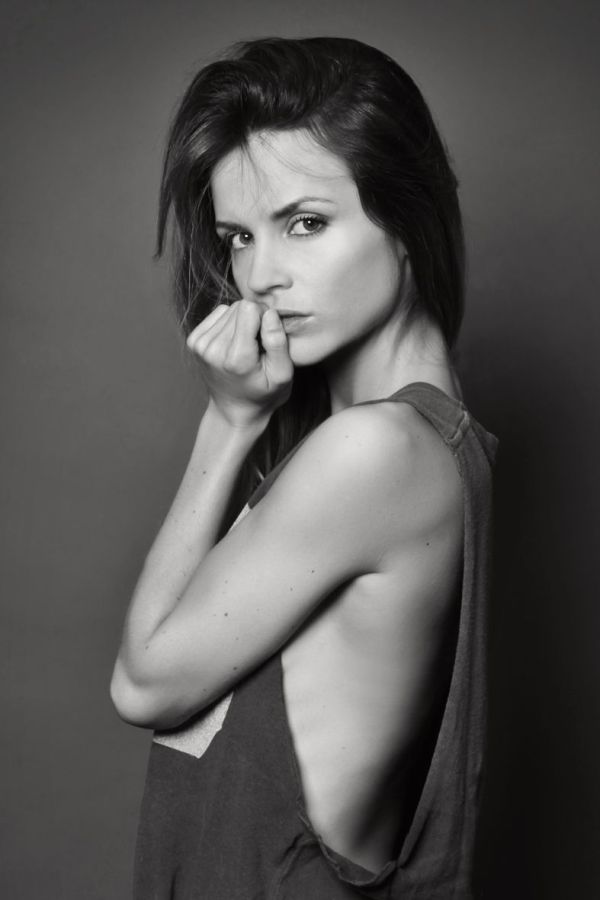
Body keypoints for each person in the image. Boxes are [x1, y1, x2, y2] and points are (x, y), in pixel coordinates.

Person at [110, 36, 498, 899]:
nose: (261, 275)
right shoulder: (407, 444)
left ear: (407, 218)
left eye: (306, 223)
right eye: (239, 237)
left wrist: (227, 420)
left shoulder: (375, 452)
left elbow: (143, 683)